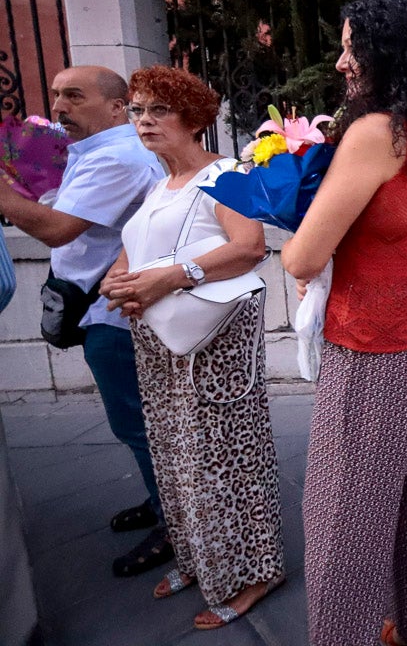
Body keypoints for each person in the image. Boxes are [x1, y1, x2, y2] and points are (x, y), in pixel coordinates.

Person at [281, 0, 407, 646]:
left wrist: (291, 216)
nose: (340, 64)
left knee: (342, 519)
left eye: (349, 47)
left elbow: (302, 255)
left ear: (384, 55)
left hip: (373, 349)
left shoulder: (374, 134)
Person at [99, 65, 284, 630]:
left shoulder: (225, 175)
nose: (145, 121)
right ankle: (199, 557)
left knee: (228, 459)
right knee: (176, 456)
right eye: (137, 110)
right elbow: (132, 252)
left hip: (214, 346)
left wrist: (169, 277)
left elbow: (249, 247)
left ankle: (255, 571)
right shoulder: (161, 185)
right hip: (160, 345)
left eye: (160, 110)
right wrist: (119, 282)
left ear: (194, 117)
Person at [0, 66, 168, 576]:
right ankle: (162, 504)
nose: (58, 107)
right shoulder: (96, 151)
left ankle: (174, 524)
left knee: (137, 425)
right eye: (54, 95)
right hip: (106, 305)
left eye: (74, 96)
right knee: (140, 423)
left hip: (114, 314)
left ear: (119, 107)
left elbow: (56, 230)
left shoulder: (117, 157)